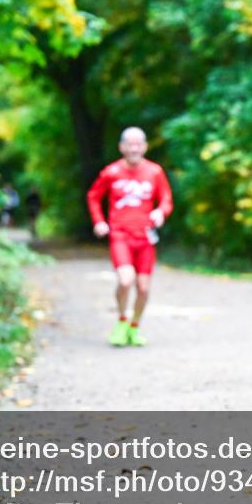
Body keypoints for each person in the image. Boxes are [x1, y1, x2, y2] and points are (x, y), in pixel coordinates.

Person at [86, 127, 173, 347]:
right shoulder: (111, 172)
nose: (134, 149)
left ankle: (134, 327)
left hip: (145, 237)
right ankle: (122, 320)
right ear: (121, 147)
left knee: (143, 287)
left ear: (145, 147)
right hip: (120, 235)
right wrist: (99, 221)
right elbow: (93, 196)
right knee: (126, 280)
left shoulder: (154, 172)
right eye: (130, 144)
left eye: (138, 144)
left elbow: (166, 199)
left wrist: (161, 212)